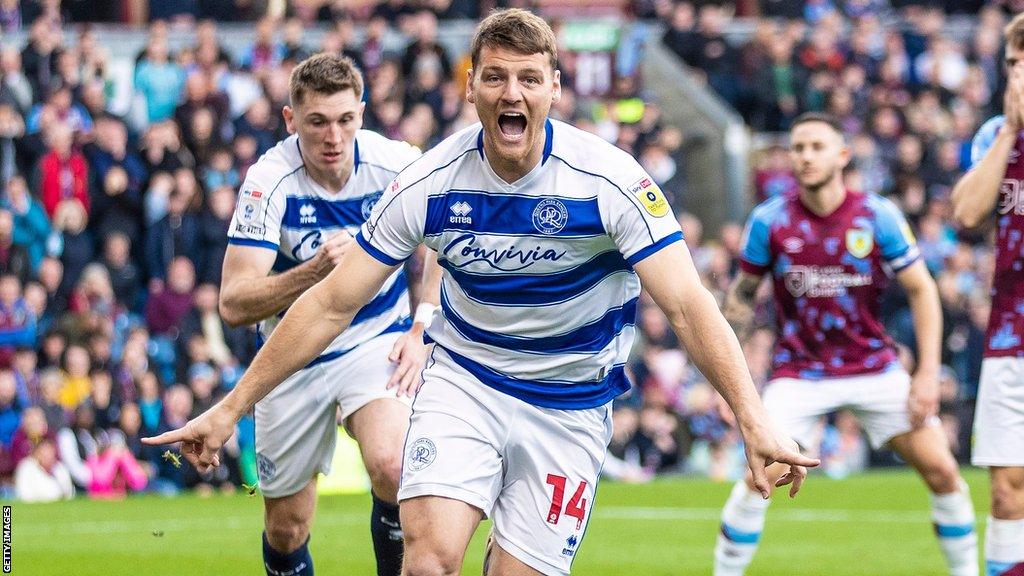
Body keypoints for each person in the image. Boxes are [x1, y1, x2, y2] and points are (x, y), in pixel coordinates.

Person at [146, 11, 814, 576]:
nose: (511, 93)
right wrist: (231, 407)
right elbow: (329, 303)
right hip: (465, 383)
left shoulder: (610, 181)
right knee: (428, 562)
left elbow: (689, 304)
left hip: (570, 404)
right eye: (494, 76)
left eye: (529, 78)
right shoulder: (429, 181)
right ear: (472, 88)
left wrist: (753, 419)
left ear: (555, 89)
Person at [164, 53, 429, 576]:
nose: (334, 136)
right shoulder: (269, 180)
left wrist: (423, 325)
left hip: (377, 337)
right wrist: (311, 272)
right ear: (290, 121)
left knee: (393, 467)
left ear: (362, 112)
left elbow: (443, 238)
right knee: (287, 530)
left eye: (346, 120)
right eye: (317, 122)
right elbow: (234, 303)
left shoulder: (398, 163)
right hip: (291, 352)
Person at [714, 112, 977, 576]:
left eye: (817, 146)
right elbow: (741, 299)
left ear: (842, 154)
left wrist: (928, 374)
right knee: (761, 477)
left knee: (943, 471)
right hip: (799, 373)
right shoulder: (769, 221)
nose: (806, 156)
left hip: (873, 368)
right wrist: (730, 383)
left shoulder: (877, 216)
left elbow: (922, 290)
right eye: (798, 148)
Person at [949, 13, 1024, 576]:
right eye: (1013, 64)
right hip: (1010, 334)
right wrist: (1009, 131)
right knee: (1006, 494)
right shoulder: (994, 134)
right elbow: (968, 213)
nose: (1016, 74)